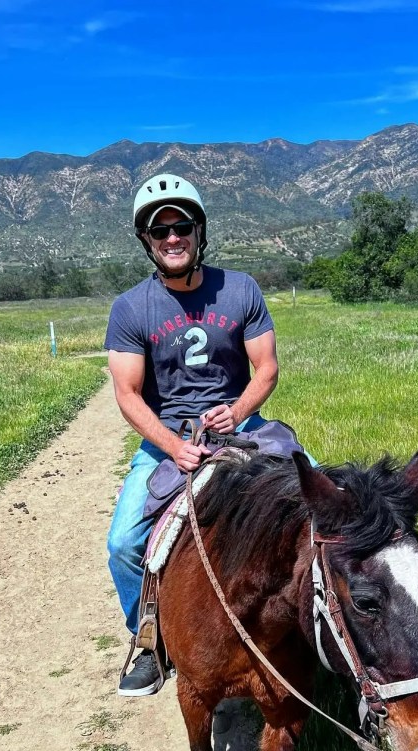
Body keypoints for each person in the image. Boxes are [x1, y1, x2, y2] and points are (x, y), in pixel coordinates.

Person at [104, 173, 280, 697]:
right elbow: (129, 394)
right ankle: (151, 640)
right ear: (147, 242)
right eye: (161, 232)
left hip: (241, 428)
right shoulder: (131, 309)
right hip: (168, 438)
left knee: (323, 506)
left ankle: (321, 635)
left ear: (200, 232)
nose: (173, 238)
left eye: (182, 226)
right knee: (123, 542)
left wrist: (239, 409)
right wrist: (171, 445)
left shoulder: (241, 288)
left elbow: (266, 369)